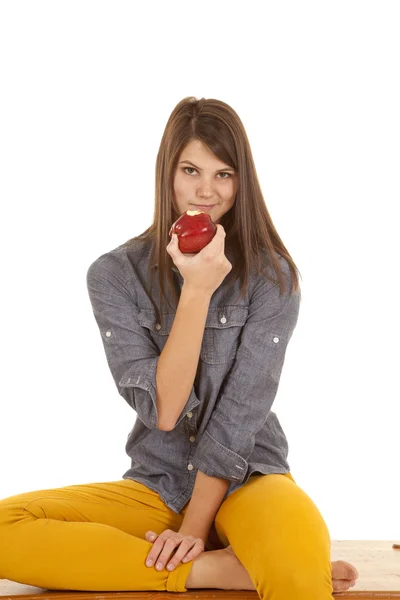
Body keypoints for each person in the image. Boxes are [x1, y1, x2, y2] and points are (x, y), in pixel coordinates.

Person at [0, 97, 359, 598]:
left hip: (250, 477)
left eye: (224, 174)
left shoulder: (272, 277)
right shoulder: (114, 275)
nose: (206, 191)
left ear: (241, 183)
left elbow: (239, 415)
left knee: (297, 569)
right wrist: (196, 291)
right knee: (3, 529)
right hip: (159, 484)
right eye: (191, 169)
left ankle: (238, 554)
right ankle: (223, 571)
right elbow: (165, 411)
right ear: (168, 172)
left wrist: (194, 529)